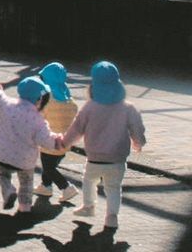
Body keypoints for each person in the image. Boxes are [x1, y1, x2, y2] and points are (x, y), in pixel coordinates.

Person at [59, 61, 146, 230]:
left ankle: (88, 206)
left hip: (95, 158)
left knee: (89, 180)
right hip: (118, 159)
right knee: (113, 188)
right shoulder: (128, 108)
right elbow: (137, 128)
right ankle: (112, 216)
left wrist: (65, 142)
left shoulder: (90, 107)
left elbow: (77, 129)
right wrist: (138, 142)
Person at [0, 76, 61, 214]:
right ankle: (25, 207)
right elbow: (46, 140)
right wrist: (57, 141)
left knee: (3, 175)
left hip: (3, 155)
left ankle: (8, 191)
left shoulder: (6, 104)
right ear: (39, 99)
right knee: (26, 183)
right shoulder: (38, 120)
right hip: (25, 160)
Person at [36, 61, 80, 204]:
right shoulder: (70, 100)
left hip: (50, 141)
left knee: (49, 167)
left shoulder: (48, 100)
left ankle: (66, 187)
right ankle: (45, 186)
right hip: (65, 142)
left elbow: (39, 116)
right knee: (50, 165)